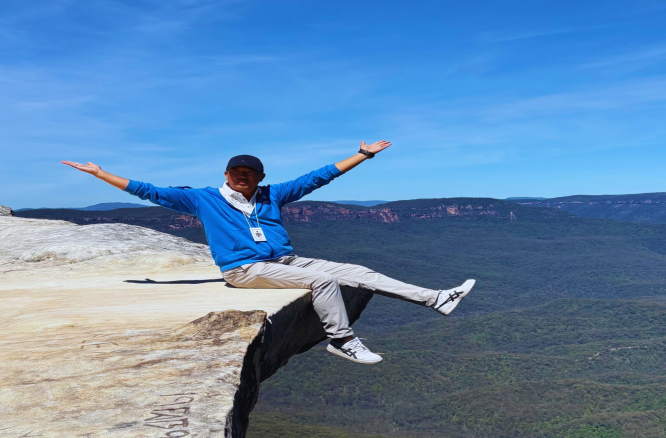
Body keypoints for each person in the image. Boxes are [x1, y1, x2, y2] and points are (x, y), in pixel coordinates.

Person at [61, 141, 475, 365]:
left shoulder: (271, 195)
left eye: (250, 174)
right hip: (244, 269)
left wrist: (362, 156)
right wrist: (101, 174)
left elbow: (317, 179)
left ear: (260, 177)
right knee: (324, 280)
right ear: (225, 175)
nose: (243, 177)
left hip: (285, 262)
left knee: (357, 269)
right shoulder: (204, 199)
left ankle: (435, 298)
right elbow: (150, 192)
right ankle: (343, 340)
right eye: (236, 173)